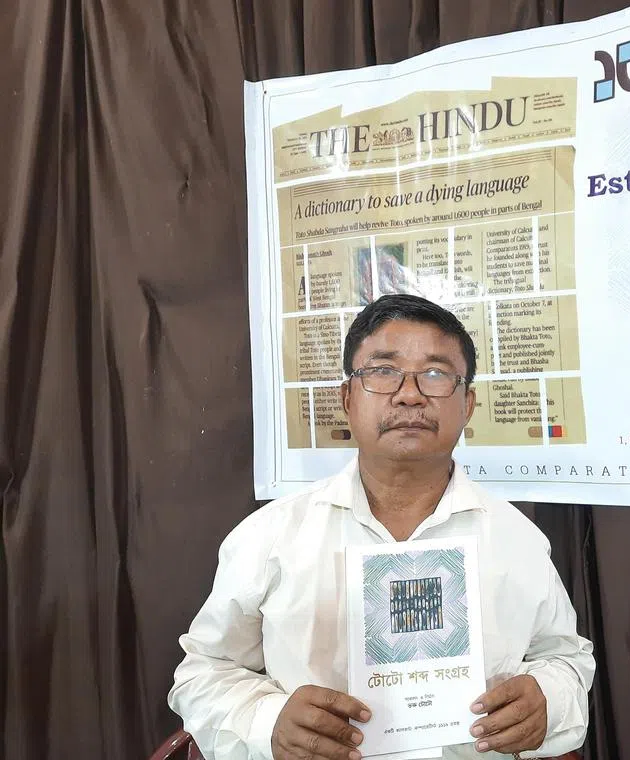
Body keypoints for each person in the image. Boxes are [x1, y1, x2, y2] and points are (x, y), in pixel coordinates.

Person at [169, 294, 595, 760]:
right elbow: (204, 671)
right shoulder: (269, 537)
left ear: (467, 404)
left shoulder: (518, 540)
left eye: (435, 374)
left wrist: (547, 701)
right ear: (348, 398)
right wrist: (269, 724)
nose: (409, 393)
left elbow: (566, 659)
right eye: (382, 371)